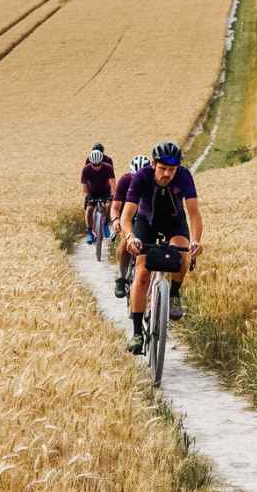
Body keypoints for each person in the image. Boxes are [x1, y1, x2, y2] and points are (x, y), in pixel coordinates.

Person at [120, 141, 202, 353]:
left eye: (172, 170)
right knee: (142, 273)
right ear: (154, 164)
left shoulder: (184, 176)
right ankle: (137, 333)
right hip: (146, 222)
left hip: (175, 222)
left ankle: (174, 293)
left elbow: (194, 214)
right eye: (163, 168)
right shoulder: (142, 177)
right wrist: (130, 237)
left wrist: (196, 241)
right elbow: (126, 216)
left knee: (181, 256)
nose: (167, 174)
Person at [111, 154, 149, 297]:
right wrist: (115, 220)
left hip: (147, 219)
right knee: (125, 244)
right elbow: (115, 206)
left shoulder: (153, 181)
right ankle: (121, 278)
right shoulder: (125, 180)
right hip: (128, 219)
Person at [81, 143, 116, 243]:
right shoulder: (86, 169)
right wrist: (87, 197)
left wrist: (112, 195)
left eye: (99, 164)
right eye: (94, 165)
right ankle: (89, 232)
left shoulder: (108, 166)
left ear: (102, 161)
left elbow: (113, 183)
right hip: (92, 191)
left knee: (108, 205)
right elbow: (84, 186)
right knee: (89, 209)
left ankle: (105, 223)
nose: (96, 167)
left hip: (105, 190)